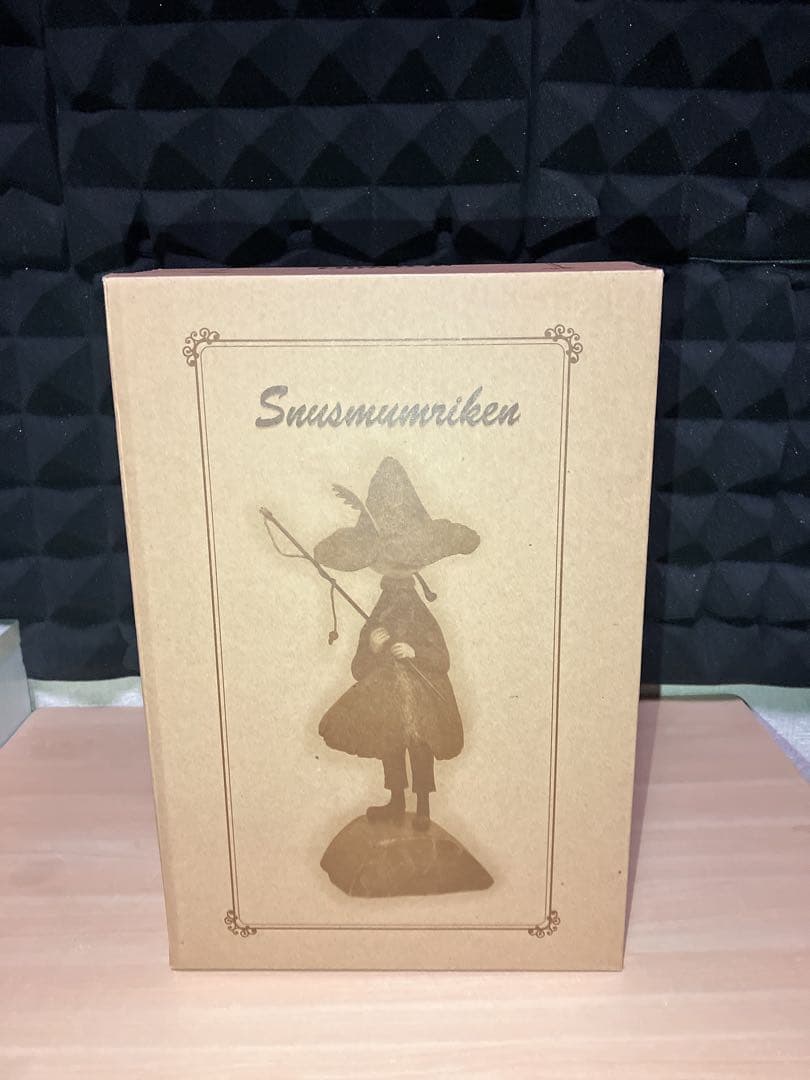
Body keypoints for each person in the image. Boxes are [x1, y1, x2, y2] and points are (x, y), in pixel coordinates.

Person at [315, 457, 479, 830]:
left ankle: (423, 807)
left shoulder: (417, 611)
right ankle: (396, 799)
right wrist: (374, 647)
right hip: (387, 693)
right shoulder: (380, 610)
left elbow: (442, 658)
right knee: (390, 740)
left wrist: (414, 652)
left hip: (421, 694)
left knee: (419, 744)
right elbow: (359, 668)